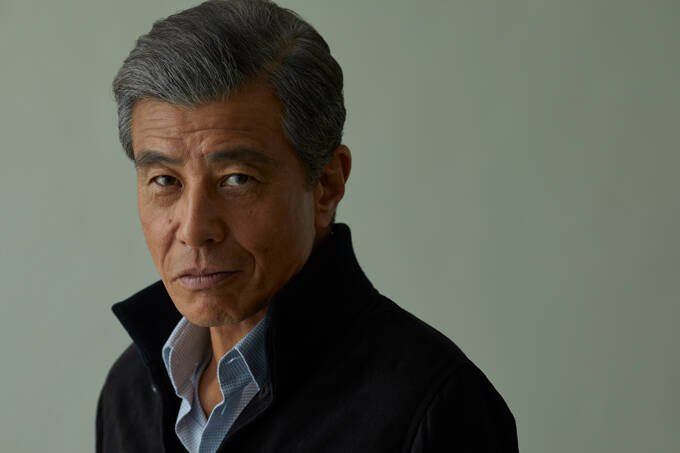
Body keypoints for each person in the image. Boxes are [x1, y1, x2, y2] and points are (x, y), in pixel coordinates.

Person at [96, 1, 518, 451]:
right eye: (165, 181)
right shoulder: (130, 392)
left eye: (237, 179)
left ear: (327, 185)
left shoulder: (432, 408)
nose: (194, 229)